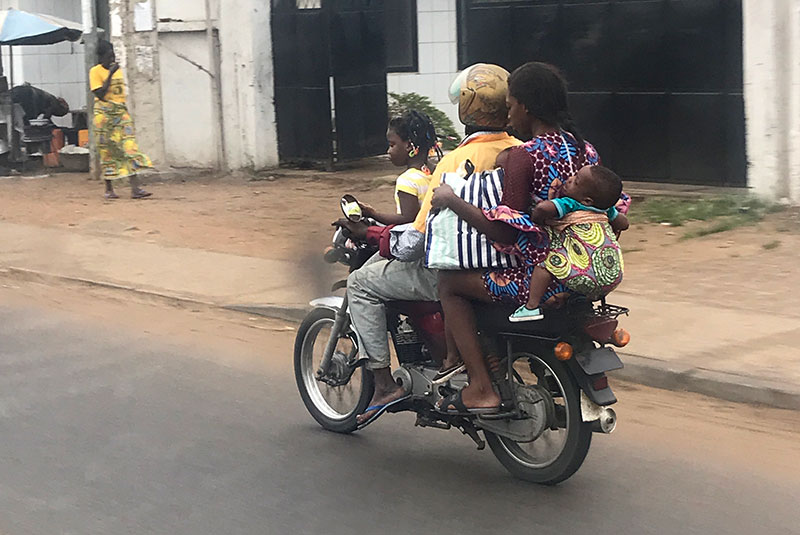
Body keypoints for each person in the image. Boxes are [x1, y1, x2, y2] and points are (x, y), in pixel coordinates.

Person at [430, 61, 629, 414]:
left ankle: (480, 387)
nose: (508, 117)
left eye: (509, 107)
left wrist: (453, 201)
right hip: (582, 274)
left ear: (524, 107)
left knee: (449, 284)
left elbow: (503, 230)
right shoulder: (586, 151)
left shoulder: (526, 156)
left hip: (541, 280)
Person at [336, 64, 522, 427]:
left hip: (456, 269)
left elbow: (416, 240)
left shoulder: (452, 162)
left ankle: (385, 384)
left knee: (360, 283)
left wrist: (376, 235)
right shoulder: (521, 150)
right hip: (506, 266)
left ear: (467, 108)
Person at [509, 164, 629, 322]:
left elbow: (543, 209)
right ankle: (580, 301)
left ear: (587, 200)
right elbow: (624, 223)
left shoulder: (571, 204)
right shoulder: (607, 210)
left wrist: (537, 218)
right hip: (612, 277)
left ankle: (531, 306)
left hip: (583, 276)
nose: (569, 179)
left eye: (576, 182)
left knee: (545, 264)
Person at [89, 40, 152, 200]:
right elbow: (100, 94)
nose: (112, 59)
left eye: (113, 55)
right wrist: (110, 74)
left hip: (120, 113)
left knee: (129, 147)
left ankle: (135, 188)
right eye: (109, 56)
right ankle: (109, 189)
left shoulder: (119, 71)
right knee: (107, 151)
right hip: (103, 115)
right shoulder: (95, 72)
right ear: (101, 56)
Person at [359, 110, 442, 225]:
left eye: (392, 145)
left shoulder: (407, 180)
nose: (389, 151)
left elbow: (407, 220)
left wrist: (373, 214)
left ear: (408, 145)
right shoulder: (440, 171)